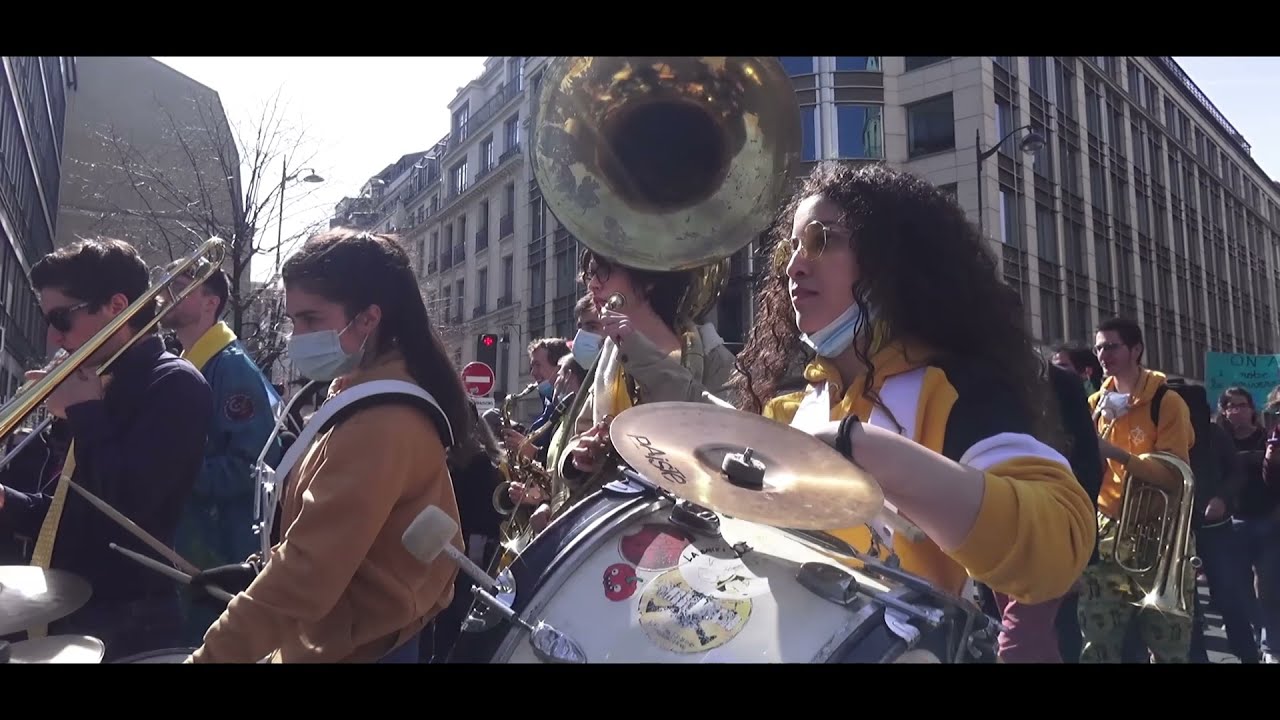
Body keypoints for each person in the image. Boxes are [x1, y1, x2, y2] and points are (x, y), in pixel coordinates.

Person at [731, 162, 1095, 607]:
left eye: (821, 241)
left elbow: (1060, 549)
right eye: (790, 248)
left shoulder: (955, 390)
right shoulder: (786, 411)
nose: (793, 267)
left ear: (891, 261)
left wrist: (861, 447)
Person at [185, 229, 470, 663]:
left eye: (312, 319)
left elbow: (309, 573)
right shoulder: (357, 393)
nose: (296, 336)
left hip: (365, 649)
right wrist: (259, 572)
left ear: (368, 319)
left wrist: (211, 657)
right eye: (294, 320)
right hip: (346, 638)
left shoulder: (382, 421)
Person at [0, 238, 212, 660]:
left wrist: (83, 414)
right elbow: (68, 509)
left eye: (62, 319)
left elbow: (130, 508)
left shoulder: (175, 384)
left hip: (131, 622)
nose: (55, 337)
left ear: (117, 306)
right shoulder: (97, 383)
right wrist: (7, 501)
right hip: (70, 609)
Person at [544, 249, 736, 522]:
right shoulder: (610, 353)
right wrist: (579, 458)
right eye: (591, 273)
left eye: (605, 271)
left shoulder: (715, 359)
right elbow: (579, 433)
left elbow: (730, 447)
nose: (593, 284)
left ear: (648, 280)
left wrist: (638, 351)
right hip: (613, 526)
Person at [159, 260, 283, 644]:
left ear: (210, 301)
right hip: (191, 543)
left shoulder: (232, 369)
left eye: (179, 285)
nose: (164, 292)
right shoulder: (193, 363)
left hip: (216, 552)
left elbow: (254, 465)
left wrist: (169, 476)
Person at [1081, 316, 1195, 663]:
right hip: (1109, 529)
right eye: (1099, 347)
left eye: (1112, 346)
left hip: (1160, 535)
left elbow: (1175, 475)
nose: (1103, 354)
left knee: (1167, 643)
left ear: (1136, 350)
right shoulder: (1096, 404)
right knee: (1097, 639)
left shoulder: (1166, 402)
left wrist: (1119, 455)